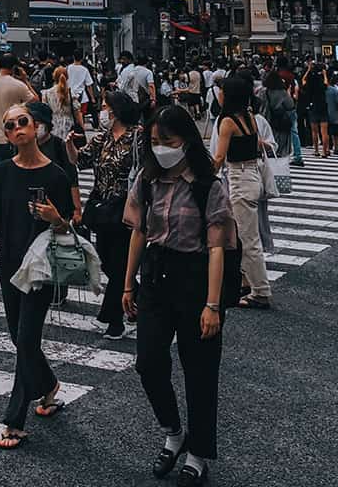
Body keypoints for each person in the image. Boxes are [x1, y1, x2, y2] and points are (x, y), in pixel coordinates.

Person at [122, 105, 234, 486]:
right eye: (154, 142)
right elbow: (138, 231)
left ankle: (198, 452)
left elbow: (218, 247)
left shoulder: (208, 185)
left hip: (196, 278)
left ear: (185, 141)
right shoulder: (147, 179)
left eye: (167, 142)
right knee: (148, 362)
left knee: (200, 373)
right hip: (155, 276)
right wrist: (127, 283)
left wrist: (213, 305)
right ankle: (173, 431)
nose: (160, 149)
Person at [0, 101, 75, 450]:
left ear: (37, 126)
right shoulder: (1, 173)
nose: (16, 129)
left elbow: (70, 224)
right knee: (18, 336)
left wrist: (55, 216)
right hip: (9, 263)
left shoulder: (56, 175)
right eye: (9, 126)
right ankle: (50, 385)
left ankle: (14, 421)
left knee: (26, 340)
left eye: (22, 122)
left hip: (40, 268)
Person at [83, 89, 140, 340]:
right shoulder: (102, 137)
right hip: (103, 207)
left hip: (127, 207)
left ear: (115, 111)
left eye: (105, 106)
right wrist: (69, 146)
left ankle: (113, 320)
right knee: (107, 261)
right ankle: (139, 298)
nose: (102, 111)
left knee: (118, 264)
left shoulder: (138, 136)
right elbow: (81, 160)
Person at [210, 77, 272, 309]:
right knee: (240, 235)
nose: (219, 94)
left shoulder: (227, 122)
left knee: (248, 238)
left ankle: (261, 291)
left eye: (222, 91)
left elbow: (219, 157)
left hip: (239, 178)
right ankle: (245, 280)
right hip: (252, 175)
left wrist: (206, 176)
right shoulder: (249, 118)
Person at [0, 51, 36, 182]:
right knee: (14, 173)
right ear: (14, 67)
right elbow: (35, 100)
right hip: (13, 136)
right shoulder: (18, 85)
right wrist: (25, 80)